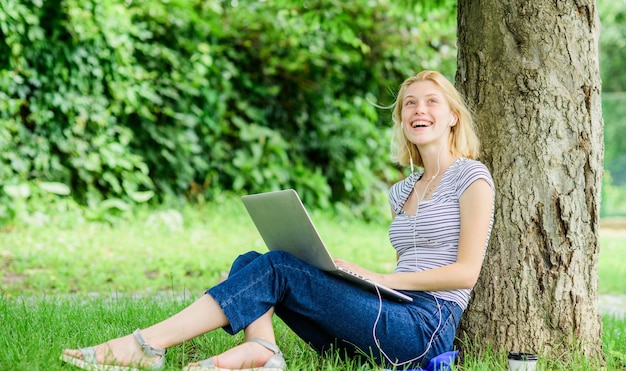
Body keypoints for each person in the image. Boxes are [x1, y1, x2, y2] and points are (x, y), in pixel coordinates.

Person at [60, 70, 495, 371]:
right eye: (409, 104)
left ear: (452, 116)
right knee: (253, 260)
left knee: (278, 267)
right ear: (402, 118)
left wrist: (378, 277)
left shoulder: (471, 177)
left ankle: (145, 346)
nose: (419, 110)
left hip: (423, 331)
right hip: (389, 317)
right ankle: (264, 350)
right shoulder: (402, 190)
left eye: (432, 102)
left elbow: (466, 271)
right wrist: (353, 279)